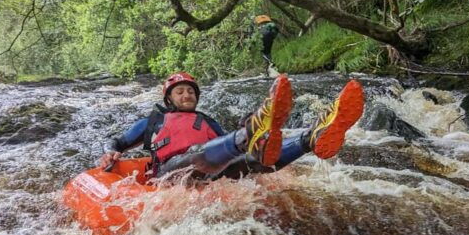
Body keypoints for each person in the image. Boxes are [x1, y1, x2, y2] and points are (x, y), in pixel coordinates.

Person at [97, 72, 364, 181]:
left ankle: (310, 138)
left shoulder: (207, 121)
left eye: (190, 91)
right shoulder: (153, 121)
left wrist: (249, 153)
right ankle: (251, 131)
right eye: (180, 92)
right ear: (169, 98)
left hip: (208, 173)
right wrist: (111, 152)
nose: (187, 95)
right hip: (170, 173)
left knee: (251, 159)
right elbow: (118, 142)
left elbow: (227, 155)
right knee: (199, 154)